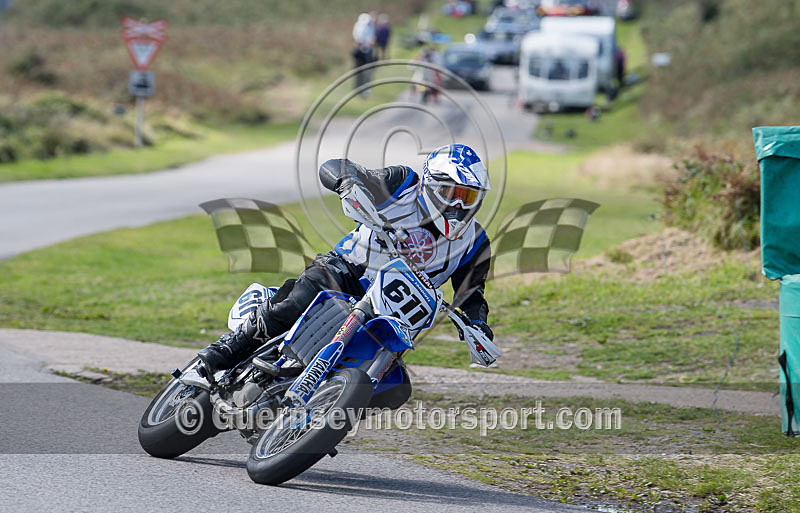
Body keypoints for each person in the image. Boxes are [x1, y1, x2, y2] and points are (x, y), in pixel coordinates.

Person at [198, 144, 494, 405]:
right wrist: (346, 181)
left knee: (395, 390)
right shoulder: (402, 184)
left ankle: (325, 416)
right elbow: (343, 169)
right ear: (430, 184)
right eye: (451, 193)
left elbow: (472, 293)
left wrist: (478, 325)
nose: (458, 205)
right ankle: (229, 347)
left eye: (468, 197)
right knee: (297, 301)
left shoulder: (476, 241)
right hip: (347, 272)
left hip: (391, 315)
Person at [352, 13, 376, 96]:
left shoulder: (371, 26)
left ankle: (365, 89)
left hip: (368, 52)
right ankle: (357, 88)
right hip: (360, 52)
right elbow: (357, 39)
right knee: (358, 71)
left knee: (368, 71)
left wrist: (371, 43)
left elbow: (372, 38)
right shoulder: (358, 26)